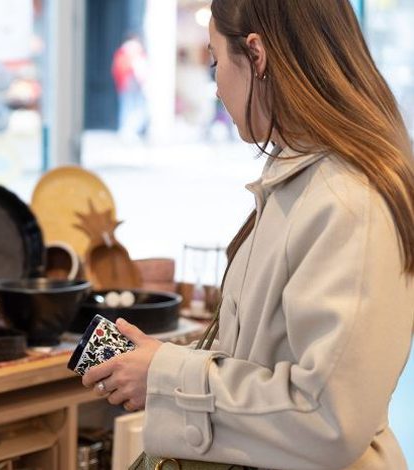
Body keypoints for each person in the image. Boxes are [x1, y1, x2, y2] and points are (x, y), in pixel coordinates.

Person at [83, 1, 414, 469]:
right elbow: (264, 358)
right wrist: (158, 364)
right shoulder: (301, 178)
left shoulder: (346, 199)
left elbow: (330, 417)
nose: (217, 86)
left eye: (215, 61)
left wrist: (166, 375)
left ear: (256, 55)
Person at [112, 33, 149, 141]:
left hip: (125, 83)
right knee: (137, 108)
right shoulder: (135, 50)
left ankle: (126, 131)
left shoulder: (122, 52)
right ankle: (128, 131)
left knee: (127, 107)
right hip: (133, 83)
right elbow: (139, 68)